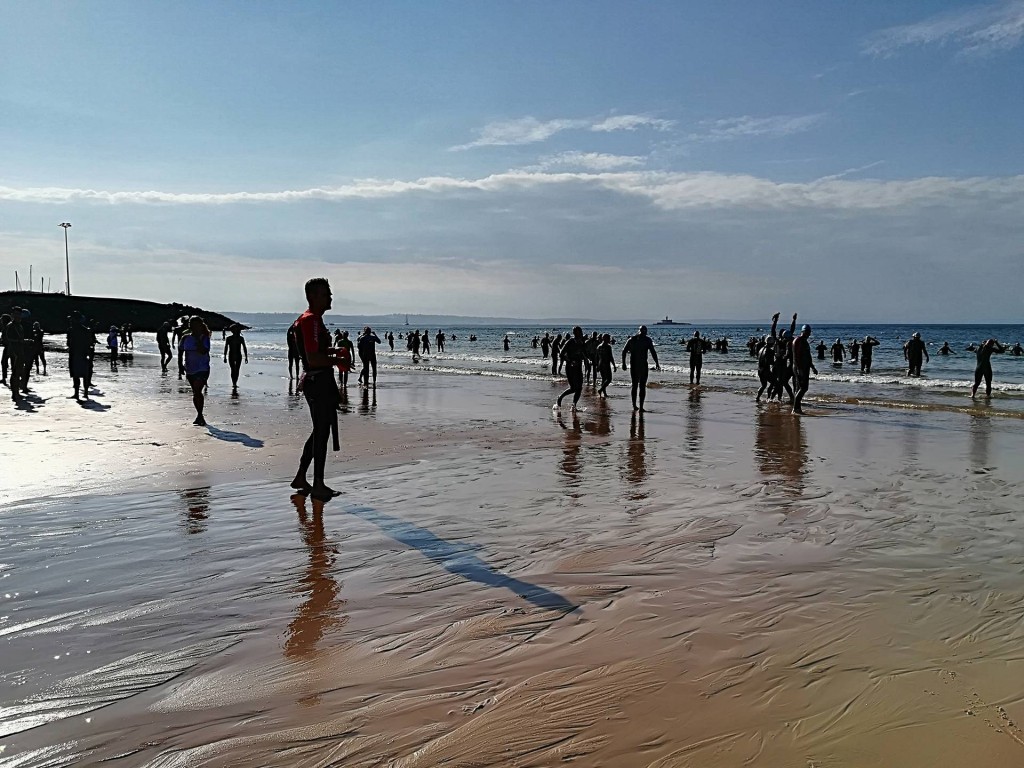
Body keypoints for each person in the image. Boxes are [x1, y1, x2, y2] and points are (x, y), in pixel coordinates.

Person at [291, 277, 343, 501]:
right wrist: (337, 361)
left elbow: (314, 351)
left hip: (317, 380)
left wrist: (334, 353)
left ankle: (302, 477)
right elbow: (312, 358)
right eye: (325, 293)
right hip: (318, 381)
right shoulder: (310, 320)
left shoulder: (312, 321)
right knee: (322, 432)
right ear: (312, 296)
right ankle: (318, 484)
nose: (330, 297)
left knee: (319, 430)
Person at [178, 316, 212, 425]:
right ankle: (199, 414)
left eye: (197, 324)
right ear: (190, 326)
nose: (195, 327)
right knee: (195, 392)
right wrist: (180, 365)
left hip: (203, 368)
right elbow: (180, 352)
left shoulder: (205, 338)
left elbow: (204, 351)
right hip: (190, 368)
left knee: (198, 391)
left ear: (201, 325)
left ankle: (200, 415)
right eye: (192, 324)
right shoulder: (185, 338)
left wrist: (198, 340)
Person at [621, 325, 660, 412]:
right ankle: (634, 405)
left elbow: (653, 351)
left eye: (645, 331)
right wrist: (623, 363)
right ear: (639, 331)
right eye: (642, 331)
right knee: (635, 385)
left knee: (642, 386)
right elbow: (624, 351)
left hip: (643, 365)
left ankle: (641, 406)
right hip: (634, 365)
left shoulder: (647, 340)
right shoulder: (632, 340)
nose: (643, 333)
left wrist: (657, 362)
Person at [554, 326, 586, 411]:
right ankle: (560, 397)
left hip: (578, 367)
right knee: (573, 388)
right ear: (576, 333)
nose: (582, 333)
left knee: (579, 388)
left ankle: (574, 406)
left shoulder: (581, 342)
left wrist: (586, 359)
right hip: (570, 367)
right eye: (580, 331)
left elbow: (582, 353)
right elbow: (561, 354)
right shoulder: (570, 342)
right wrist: (570, 361)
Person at [67, 312, 94, 399]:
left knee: (76, 374)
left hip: (75, 354)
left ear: (76, 319)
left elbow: (69, 343)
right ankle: (85, 393)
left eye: (72, 318)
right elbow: (90, 343)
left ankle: (77, 393)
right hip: (83, 354)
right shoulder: (86, 330)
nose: (70, 320)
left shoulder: (71, 330)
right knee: (84, 374)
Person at [792, 324, 818, 415]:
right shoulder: (798, 341)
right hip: (800, 368)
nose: (809, 334)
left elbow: (808, 356)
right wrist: (799, 369)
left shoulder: (805, 342)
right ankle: (795, 409)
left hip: (805, 367)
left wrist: (813, 367)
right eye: (807, 332)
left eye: (809, 332)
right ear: (803, 332)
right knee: (803, 388)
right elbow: (796, 356)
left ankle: (797, 408)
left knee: (801, 388)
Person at [223, 324, 248, 390]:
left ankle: (235, 382)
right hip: (231, 355)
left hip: (238, 355)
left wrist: (246, 357)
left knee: (237, 370)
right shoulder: (229, 338)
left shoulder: (241, 338)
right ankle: (234, 382)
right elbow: (226, 348)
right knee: (233, 369)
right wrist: (224, 356)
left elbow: (244, 348)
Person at [756, 336, 775, 402]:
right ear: (771, 343)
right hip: (765, 370)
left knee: (763, 385)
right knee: (774, 383)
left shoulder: (761, 349)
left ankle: (757, 397)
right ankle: (769, 398)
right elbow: (769, 362)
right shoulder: (769, 350)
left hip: (759, 370)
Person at [0, 314, 10, 385]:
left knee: (4, 362)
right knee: (4, 362)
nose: (1, 321)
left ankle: (4, 378)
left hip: (9, 347)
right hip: (8, 347)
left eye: (1, 320)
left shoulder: (7, 327)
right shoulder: (6, 327)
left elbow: (6, 339)